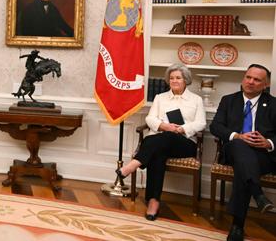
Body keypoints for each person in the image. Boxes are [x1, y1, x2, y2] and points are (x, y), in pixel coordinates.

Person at [116, 63, 206, 221]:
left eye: (178, 77)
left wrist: (181, 129)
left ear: (185, 80)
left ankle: (134, 164)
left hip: (184, 143)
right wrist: (164, 126)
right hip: (160, 140)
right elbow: (150, 118)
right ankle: (153, 202)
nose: (174, 80)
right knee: (158, 152)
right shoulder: (160, 97)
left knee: (165, 138)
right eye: (171, 78)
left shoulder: (196, 100)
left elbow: (201, 123)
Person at [210, 64, 276, 241]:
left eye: (257, 80)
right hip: (234, 150)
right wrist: (237, 136)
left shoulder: (273, 104)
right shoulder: (229, 100)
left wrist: (268, 143)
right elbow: (215, 126)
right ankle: (258, 194)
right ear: (243, 78)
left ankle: (237, 226)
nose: (251, 82)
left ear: (266, 85)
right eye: (248, 77)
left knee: (244, 169)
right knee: (240, 146)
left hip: (263, 155)